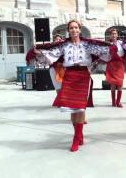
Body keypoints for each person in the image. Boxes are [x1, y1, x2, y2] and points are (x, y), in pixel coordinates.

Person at [33, 20, 115, 152]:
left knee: (81, 109)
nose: (74, 30)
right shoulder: (64, 46)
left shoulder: (88, 45)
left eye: (76, 27)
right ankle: (78, 134)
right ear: (68, 30)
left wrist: (112, 47)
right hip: (69, 76)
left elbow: (104, 52)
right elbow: (52, 55)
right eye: (71, 28)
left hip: (83, 76)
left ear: (80, 29)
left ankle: (76, 138)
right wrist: (40, 53)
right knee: (72, 109)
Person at [105, 29, 126, 107]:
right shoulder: (107, 44)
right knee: (113, 84)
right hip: (111, 64)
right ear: (110, 35)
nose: (114, 35)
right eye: (112, 34)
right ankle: (113, 102)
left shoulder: (121, 43)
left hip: (120, 64)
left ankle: (118, 102)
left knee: (120, 83)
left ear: (117, 35)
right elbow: (104, 54)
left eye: (115, 33)